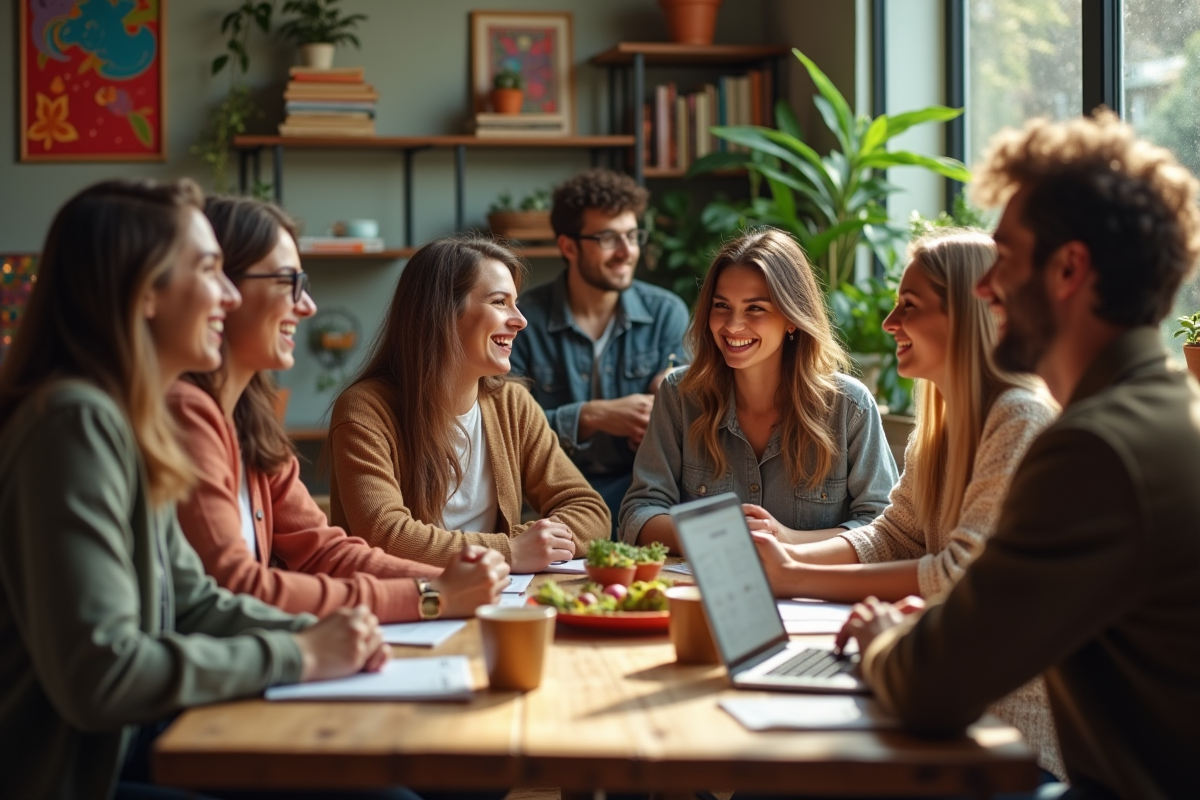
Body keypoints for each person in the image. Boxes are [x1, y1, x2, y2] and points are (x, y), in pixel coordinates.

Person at [839, 113, 1200, 800]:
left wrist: (883, 636)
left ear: (1069, 269)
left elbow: (931, 684)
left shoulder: (1093, 448)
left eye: (1004, 257)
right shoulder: (1164, 411)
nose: (984, 288)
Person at [0, 179, 390, 800]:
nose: (229, 295)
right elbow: (103, 673)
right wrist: (302, 656)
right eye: (210, 270)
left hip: (134, 743)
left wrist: (329, 635)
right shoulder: (73, 423)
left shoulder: (132, 420)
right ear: (145, 290)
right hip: (80, 774)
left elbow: (197, 601)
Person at [752, 229, 1063, 779]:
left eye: (909, 306)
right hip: (942, 696)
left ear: (970, 314)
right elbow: (894, 535)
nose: (890, 322)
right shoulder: (942, 425)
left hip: (1001, 735)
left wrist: (797, 578)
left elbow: (958, 574)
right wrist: (786, 558)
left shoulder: (1020, 418)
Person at [169, 196, 509, 625]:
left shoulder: (246, 419)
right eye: (286, 282)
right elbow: (239, 586)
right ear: (221, 289)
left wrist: (451, 584)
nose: (307, 306)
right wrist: (431, 594)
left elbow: (322, 550)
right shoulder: (185, 414)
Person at [328, 237, 610, 572]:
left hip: (497, 600)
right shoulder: (365, 412)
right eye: (499, 302)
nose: (520, 320)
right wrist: (509, 551)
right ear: (443, 313)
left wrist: (528, 543)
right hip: (404, 609)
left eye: (515, 303)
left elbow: (590, 510)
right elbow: (386, 536)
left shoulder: (512, 405)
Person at [619, 228, 898, 552]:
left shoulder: (850, 407)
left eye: (755, 308)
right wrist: (719, 532)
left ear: (793, 317)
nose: (732, 325)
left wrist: (788, 541)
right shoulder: (680, 395)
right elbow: (638, 515)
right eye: (721, 305)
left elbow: (882, 529)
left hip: (819, 597)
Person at [510, 168, 689, 524]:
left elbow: (685, 420)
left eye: (633, 235)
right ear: (568, 246)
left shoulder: (666, 312)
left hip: (642, 494)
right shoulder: (520, 321)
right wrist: (592, 416)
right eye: (608, 238)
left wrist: (669, 409)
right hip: (548, 496)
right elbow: (504, 431)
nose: (626, 252)